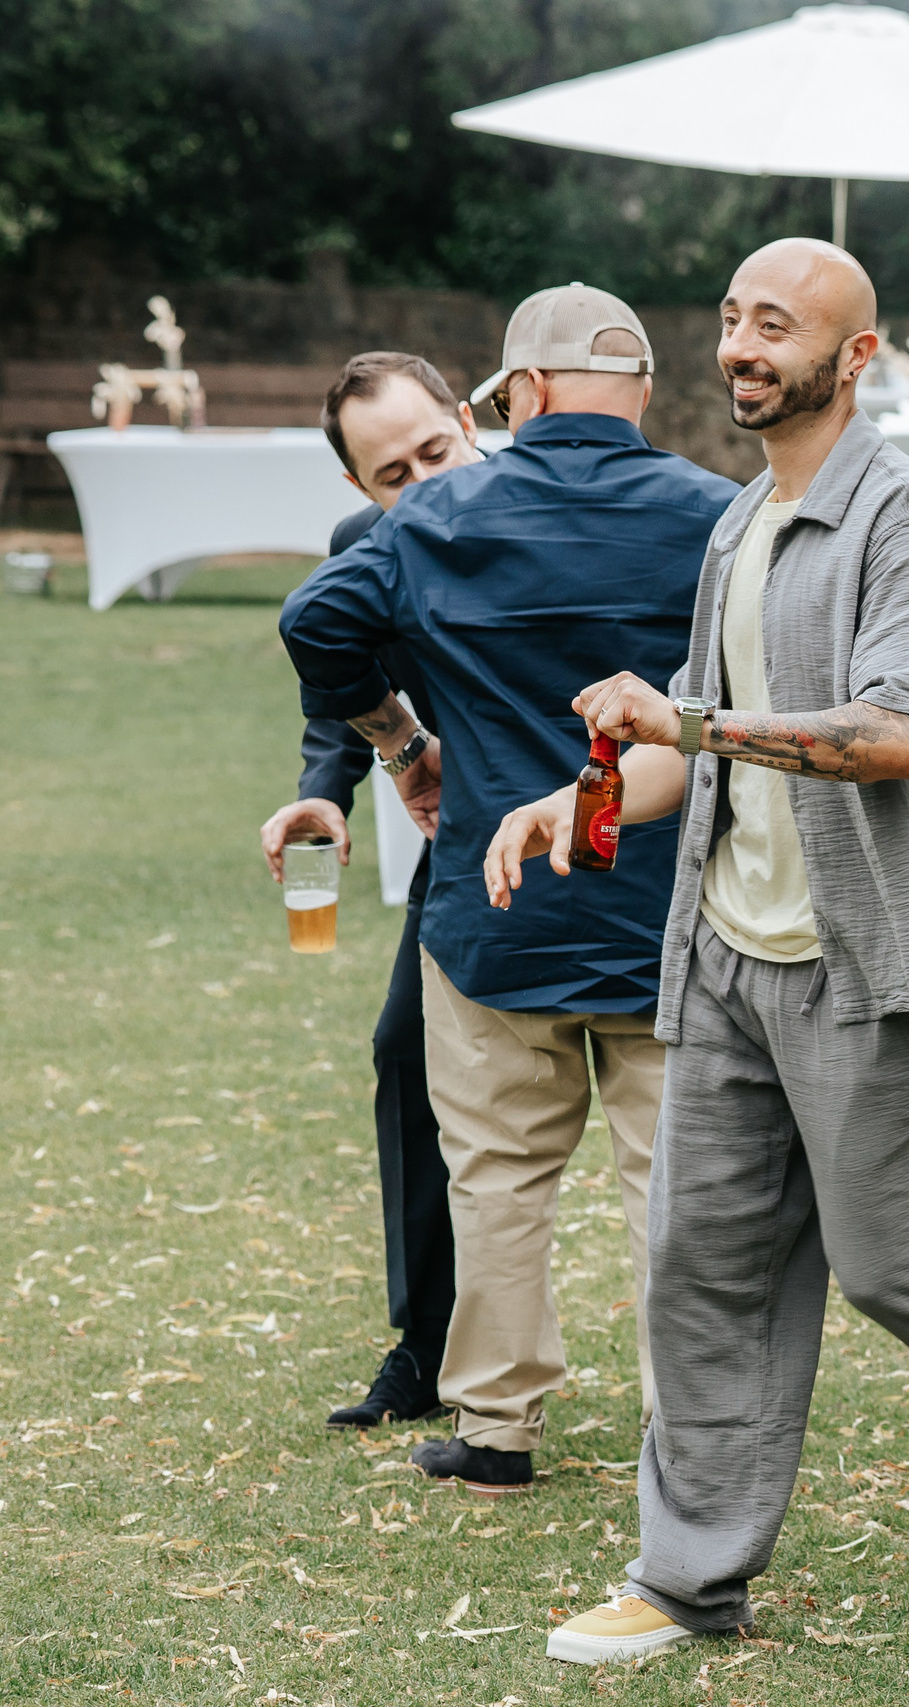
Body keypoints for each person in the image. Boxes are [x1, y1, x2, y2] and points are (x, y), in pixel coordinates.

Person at [485, 240, 909, 1663]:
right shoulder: (741, 520)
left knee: (905, 1262)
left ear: (856, 355)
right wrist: (577, 796)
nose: (743, 346)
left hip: (869, 960)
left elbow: (895, 735)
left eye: (777, 325)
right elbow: (695, 732)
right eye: (732, 319)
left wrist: (687, 722)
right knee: (700, 1267)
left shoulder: (906, 522)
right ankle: (688, 1576)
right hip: (728, 954)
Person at [280, 284, 736, 1496]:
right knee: (676, 1187)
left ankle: (495, 1430)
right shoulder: (720, 513)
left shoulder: (432, 521)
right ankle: (693, 1438)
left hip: (496, 906)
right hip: (666, 903)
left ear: (518, 393)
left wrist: (402, 743)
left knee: (495, 1176)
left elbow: (313, 622)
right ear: (643, 390)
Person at [258, 351, 482, 1429]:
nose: (424, 485)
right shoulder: (364, 547)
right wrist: (326, 788)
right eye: (395, 474)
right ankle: (427, 1346)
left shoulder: (559, 512)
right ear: (359, 486)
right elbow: (336, 672)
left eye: (437, 451)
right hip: (469, 836)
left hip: (621, 829)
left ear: (470, 420)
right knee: (407, 1049)